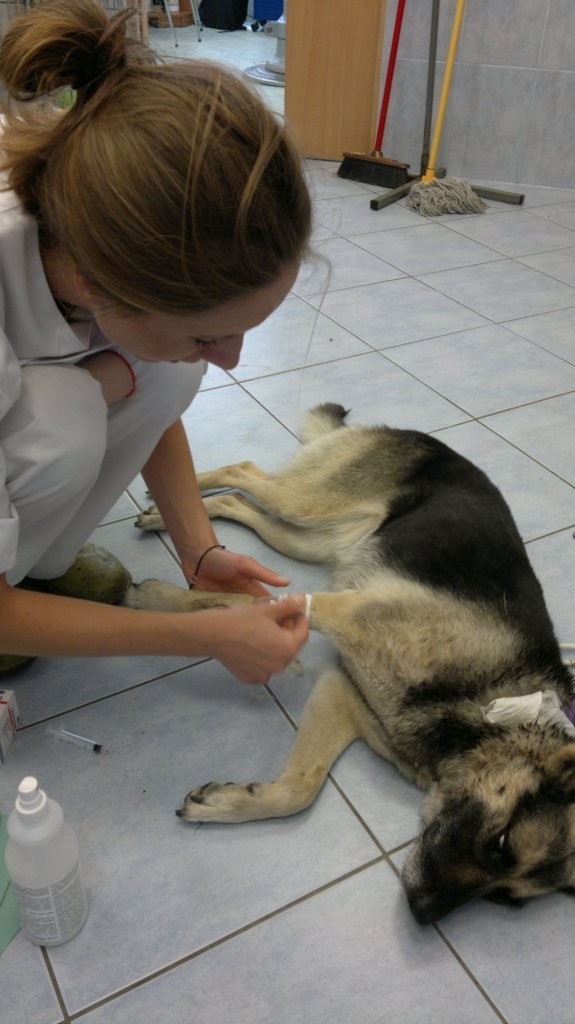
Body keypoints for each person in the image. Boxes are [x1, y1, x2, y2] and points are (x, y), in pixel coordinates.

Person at [0, 0, 311, 685]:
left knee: (163, 370)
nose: (231, 358)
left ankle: (35, 575)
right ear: (92, 279)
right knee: (63, 414)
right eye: (210, 332)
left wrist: (197, 554)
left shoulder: (91, 207)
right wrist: (198, 634)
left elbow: (156, 389)